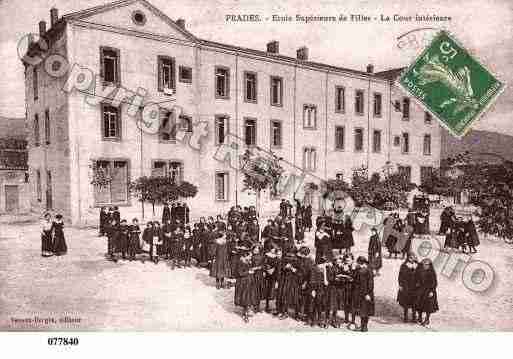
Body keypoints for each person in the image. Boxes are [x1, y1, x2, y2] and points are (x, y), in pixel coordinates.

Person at [328, 254, 354, 326]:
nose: (339, 263)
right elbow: (330, 277)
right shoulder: (333, 267)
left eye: (340, 261)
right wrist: (338, 278)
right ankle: (334, 320)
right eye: (337, 261)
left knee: (344, 304)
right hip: (337, 288)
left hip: (345, 288)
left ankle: (344, 319)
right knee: (335, 305)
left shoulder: (348, 267)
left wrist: (345, 276)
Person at [351, 256, 374, 332]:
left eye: (359, 263)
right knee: (362, 310)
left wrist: (368, 293)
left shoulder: (368, 270)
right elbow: (354, 278)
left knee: (366, 310)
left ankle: (364, 327)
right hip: (359, 293)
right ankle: (362, 326)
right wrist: (354, 269)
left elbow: (370, 283)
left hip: (366, 293)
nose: (358, 264)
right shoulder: (358, 269)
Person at [414, 258, 439, 326]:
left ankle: (427, 319)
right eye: (424, 264)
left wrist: (432, 291)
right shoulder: (419, 271)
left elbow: (434, 283)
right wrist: (417, 284)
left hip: (429, 291)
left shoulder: (431, 272)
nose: (425, 266)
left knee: (428, 306)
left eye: (427, 265)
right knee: (419, 304)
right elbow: (415, 278)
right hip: (421, 290)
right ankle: (419, 317)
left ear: (430, 265)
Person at [307, 255, 330, 328]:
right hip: (316, 289)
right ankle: (314, 320)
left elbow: (326, 280)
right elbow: (312, 280)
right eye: (323, 264)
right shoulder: (314, 269)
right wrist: (313, 290)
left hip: (323, 290)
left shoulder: (324, 269)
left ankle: (320, 320)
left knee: (320, 305)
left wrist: (325, 272)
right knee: (315, 305)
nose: (324, 265)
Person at [397, 253, 418, 322]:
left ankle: (414, 317)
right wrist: (400, 285)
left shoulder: (417, 265)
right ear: (408, 258)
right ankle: (405, 317)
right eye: (410, 258)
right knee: (406, 302)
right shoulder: (404, 265)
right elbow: (400, 276)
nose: (412, 259)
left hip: (415, 287)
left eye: (413, 257)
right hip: (406, 286)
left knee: (414, 302)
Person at [234, 250, 253, 323]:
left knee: (247, 298)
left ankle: (246, 312)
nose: (251, 257)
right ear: (245, 256)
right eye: (249, 256)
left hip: (248, 282)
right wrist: (249, 272)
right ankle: (245, 314)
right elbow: (240, 273)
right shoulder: (240, 262)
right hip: (242, 283)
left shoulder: (247, 261)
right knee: (245, 298)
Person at [263, 246, 282, 313]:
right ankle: (268, 306)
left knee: (278, 294)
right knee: (270, 292)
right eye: (278, 254)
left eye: (280, 254)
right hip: (273, 278)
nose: (279, 255)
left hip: (280, 279)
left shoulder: (282, 260)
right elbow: (271, 268)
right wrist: (268, 270)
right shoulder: (275, 260)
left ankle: (277, 308)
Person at [250, 245, 265, 312]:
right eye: (255, 249)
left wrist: (258, 268)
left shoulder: (262, 257)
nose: (255, 250)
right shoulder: (251, 256)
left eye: (257, 249)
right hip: (252, 275)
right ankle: (252, 305)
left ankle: (257, 306)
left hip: (259, 275)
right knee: (252, 290)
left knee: (258, 290)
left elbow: (264, 265)